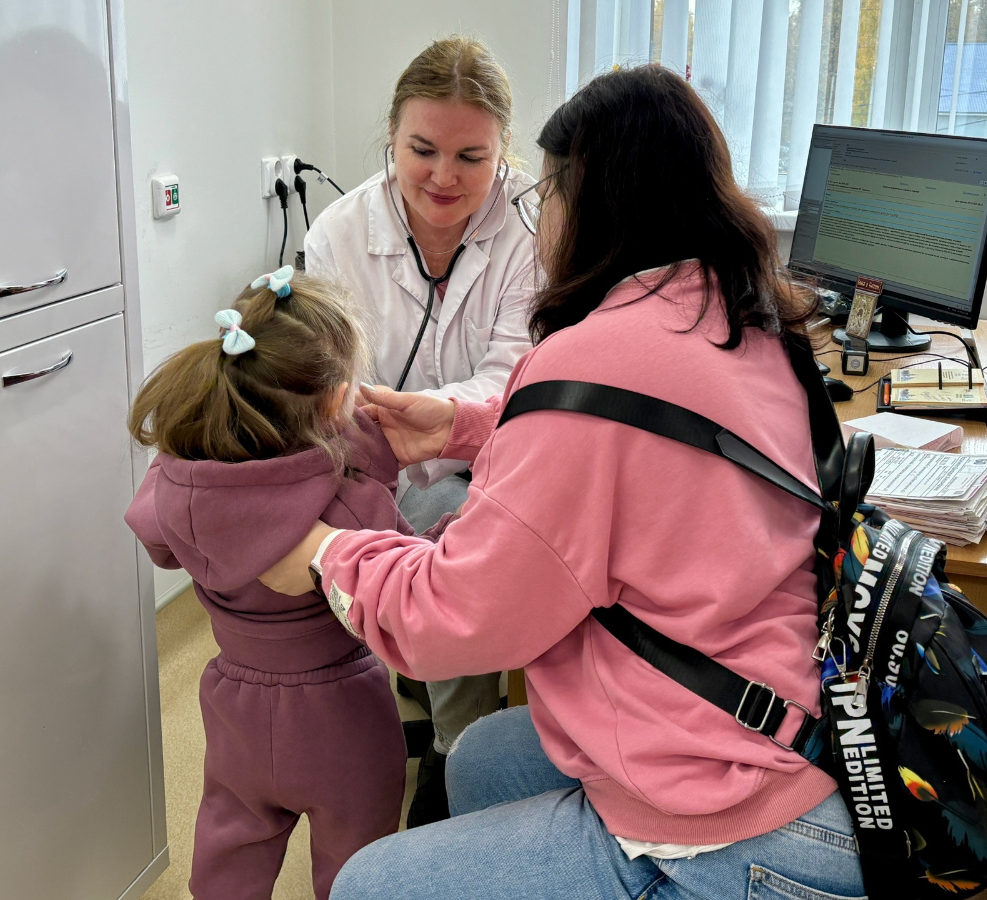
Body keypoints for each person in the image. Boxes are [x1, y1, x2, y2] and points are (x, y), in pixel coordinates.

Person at [260, 66, 866, 899]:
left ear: (588, 203)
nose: (535, 216)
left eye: (542, 194)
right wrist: (462, 424)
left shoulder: (586, 361)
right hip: (806, 729)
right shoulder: (745, 316)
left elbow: (454, 619)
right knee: (482, 759)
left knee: (369, 886)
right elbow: (640, 433)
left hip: (740, 821)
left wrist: (329, 553)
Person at [303, 35, 538, 824]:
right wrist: (384, 429)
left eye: (472, 157)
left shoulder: (531, 229)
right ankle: (415, 730)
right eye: (422, 150)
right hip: (372, 459)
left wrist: (441, 421)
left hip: (494, 454)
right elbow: (325, 380)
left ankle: (454, 745)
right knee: (419, 530)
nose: (444, 177)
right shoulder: (338, 236)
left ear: (503, 149)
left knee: (456, 531)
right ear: (391, 137)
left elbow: (516, 374)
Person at [122, 267, 409, 900]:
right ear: (337, 400)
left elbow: (155, 539)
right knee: (357, 861)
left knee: (230, 844)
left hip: (235, 703)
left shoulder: (179, 486)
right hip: (344, 707)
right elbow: (414, 584)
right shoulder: (354, 502)